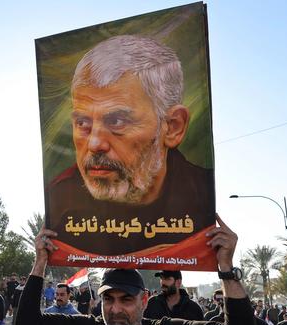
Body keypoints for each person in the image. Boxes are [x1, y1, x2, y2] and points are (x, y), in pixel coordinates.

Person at [47, 35, 215, 255]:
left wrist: (226, 271)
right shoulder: (59, 203)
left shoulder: (202, 200)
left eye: (116, 121)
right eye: (83, 123)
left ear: (173, 127)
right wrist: (41, 263)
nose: (95, 144)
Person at [17, 216, 259, 325]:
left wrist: (226, 268)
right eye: (108, 299)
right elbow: (28, 322)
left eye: (126, 299)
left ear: (144, 300)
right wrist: (40, 262)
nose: (116, 309)